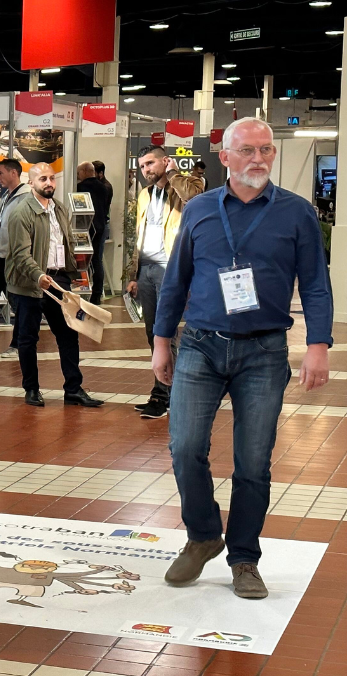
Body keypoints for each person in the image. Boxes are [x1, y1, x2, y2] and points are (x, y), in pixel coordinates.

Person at [154, 117, 332, 600]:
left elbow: (316, 282)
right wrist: (161, 340)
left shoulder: (297, 213)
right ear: (226, 157)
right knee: (185, 446)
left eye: (267, 151)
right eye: (248, 151)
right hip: (201, 344)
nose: (259, 159)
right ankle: (204, 534)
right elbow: (177, 279)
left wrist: (318, 345)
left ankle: (244, 558)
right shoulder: (199, 209)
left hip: (265, 349)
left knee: (253, 463)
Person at [4, 163, 104, 409]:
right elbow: (19, 254)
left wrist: (70, 275)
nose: (49, 183)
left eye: (51, 179)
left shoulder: (59, 208)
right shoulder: (21, 212)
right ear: (31, 183)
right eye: (43, 179)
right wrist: (38, 276)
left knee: (68, 334)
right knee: (28, 338)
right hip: (30, 283)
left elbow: (66, 243)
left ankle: (73, 389)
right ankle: (32, 389)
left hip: (58, 281)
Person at [124, 145, 205, 420]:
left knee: (166, 332)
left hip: (170, 268)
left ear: (165, 161)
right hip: (146, 269)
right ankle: (165, 393)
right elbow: (137, 234)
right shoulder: (145, 194)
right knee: (154, 335)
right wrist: (132, 275)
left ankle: (169, 395)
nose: (145, 170)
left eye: (150, 163)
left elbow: (194, 197)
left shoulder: (186, 184)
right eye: (142, 166)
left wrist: (173, 174)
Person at [0, 158, 30, 359]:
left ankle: (18, 344)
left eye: (0, 173)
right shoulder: (7, 196)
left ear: (13, 173)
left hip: (13, 260)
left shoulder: (26, 197)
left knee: (17, 303)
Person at [76, 161, 111, 305]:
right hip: (101, 227)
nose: (77, 176)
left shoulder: (80, 188)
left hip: (85, 228)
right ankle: (96, 295)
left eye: (78, 173)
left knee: (81, 260)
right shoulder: (105, 188)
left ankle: (80, 291)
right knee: (97, 260)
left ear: (84, 172)